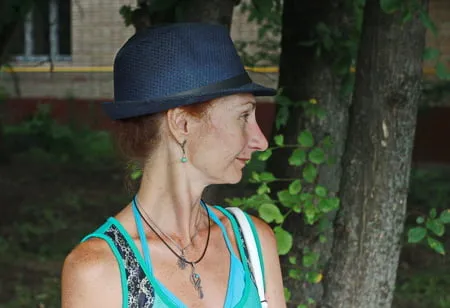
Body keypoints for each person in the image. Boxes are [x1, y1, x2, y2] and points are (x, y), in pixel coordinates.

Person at [61, 22, 286, 308]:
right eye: (243, 116)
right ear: (183, 124)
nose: (260, 141)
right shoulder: (99, 269)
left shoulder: (251, 243)